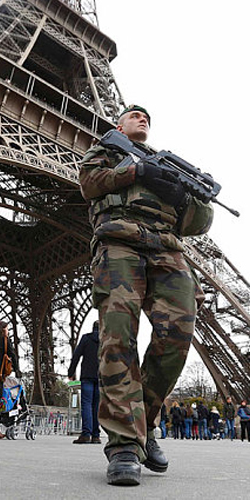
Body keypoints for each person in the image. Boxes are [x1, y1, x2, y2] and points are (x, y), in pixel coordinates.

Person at [79, 104, 213, 486]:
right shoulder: (108, 150)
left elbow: (201, 221)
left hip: (168, 250)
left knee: (177, 338)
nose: (143, 119)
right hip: (119, 243)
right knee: (117, 335)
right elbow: (88, 184)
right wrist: (135, 171)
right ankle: (123, 443)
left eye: (147, 118)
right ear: (119, 124)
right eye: (135, 115)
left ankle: (145, 423)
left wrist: (184, 199)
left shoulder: (171, 166)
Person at [68, 320, 101, 444]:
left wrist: (71, 372)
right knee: (96, 406)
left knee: (86, 405)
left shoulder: (86, 339)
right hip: (101, 377)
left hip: (87, 376)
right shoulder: (106, 340)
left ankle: (86, 434)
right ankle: (96, 435)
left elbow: (76, 355)